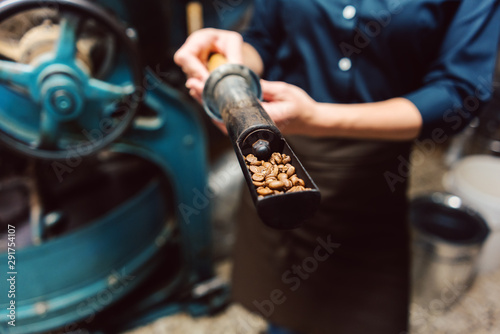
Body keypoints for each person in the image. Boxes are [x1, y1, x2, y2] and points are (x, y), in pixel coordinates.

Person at [174, 1, 500, 333]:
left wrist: (319, 118)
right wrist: (228, 64)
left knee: (360, 311)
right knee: (283, 299)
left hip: (373, 164)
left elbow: (458, 94)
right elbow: (263, 40)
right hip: (280, 147)